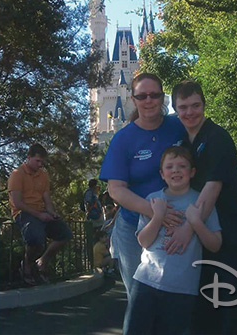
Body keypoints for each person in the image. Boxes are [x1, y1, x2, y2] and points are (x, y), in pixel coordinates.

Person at [98, 73, 186, 334]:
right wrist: (155, 212)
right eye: (142, 96)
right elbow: (115, 189)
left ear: (162, 97)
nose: (149, 100)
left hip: (178, 225)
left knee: (175, 298)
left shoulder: (177, 127)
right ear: (133, 99)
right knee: (140, 301)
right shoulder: (124, 138)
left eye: (154, 95)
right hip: (134, 227)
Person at [170, 80, 237, 335]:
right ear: (175, 109)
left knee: (231, 316)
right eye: (183, 107)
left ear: (204, 105)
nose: (189, 112)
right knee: (203, 317)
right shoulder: (183, 142)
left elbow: (212, 189)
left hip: (228, 238)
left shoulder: (217, 138)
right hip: (203, 243)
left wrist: (185, 231)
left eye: (195, 105)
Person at [126, 146, 222, 335]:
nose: (176, 170)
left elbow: (215, 244)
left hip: (182, 289)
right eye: (170, 167)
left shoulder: (201, 202)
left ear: (192, 172)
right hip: (146, 281)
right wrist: (157, 216)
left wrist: (196, 222)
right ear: (162, 174)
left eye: (182, 166)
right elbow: (143, 241)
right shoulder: (153, 200)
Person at [8, 143, 73, 285]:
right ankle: (26, 264)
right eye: (37, 161)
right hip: (23, 213)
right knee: (36, 237)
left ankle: (42, 261)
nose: (40, 164)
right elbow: (17, 203)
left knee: (65, 234)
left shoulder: (43, 175)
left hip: (40, 212)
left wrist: (51, 212)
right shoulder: (17, 174)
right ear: (29, 157)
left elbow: (47, 199)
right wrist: (39, 215)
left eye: (42, 161)